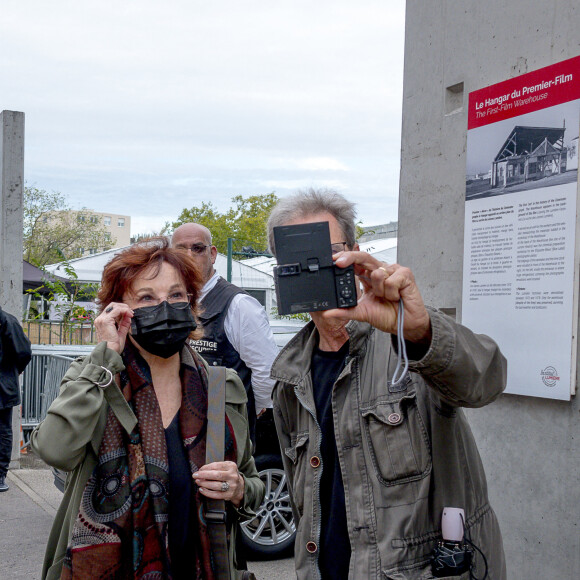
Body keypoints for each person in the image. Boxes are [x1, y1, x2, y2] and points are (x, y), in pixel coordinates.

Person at [267, 189, 507, 580]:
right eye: (295, 254)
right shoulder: (289, 381)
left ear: (354, 253)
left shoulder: (408, 344)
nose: (313, 265)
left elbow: (487, 380)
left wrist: (419, 330)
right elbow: (305, 505)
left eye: (327, 250)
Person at [31, 238, 265, 580]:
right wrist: (105, 355)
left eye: (176, 295)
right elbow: (54, 449)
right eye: (147, 298)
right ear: (118, 311)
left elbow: (253, 484)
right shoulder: (96, 378)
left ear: (192, 302)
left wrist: (241, 489)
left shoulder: (221, 386)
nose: (165, 307)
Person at [171, 223, 279, 443]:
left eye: (198, 248)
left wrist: (246, 420)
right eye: (181, 249)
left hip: (222, 435)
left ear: (212, 254)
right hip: (181, 430)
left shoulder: (240, 305)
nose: (189, 255)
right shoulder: (171, 302)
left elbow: (266, 372)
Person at [0, 305, 32, 492]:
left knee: (3, 429)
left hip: (2, 385)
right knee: (3, 429)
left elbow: (23, 353)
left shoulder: (6, 321)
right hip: (4, 383)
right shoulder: (7, 320)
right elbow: (23, 353)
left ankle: (0, 474)